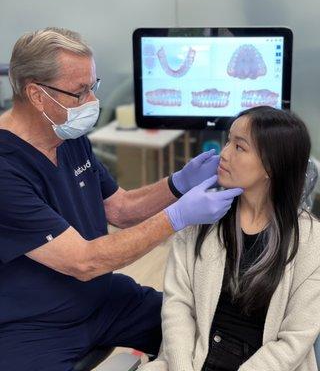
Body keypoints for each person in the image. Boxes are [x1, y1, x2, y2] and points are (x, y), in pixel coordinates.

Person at [0, 27, 242, 371]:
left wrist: (177, 184)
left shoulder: (66, 136)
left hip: (101, 298)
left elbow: (120, 208)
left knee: (212, 329)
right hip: (34, 323)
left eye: (93, 87)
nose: (92, 102)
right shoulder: (7, 168)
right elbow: (84, 262)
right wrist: (178, 216)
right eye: (79, 92)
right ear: (38, 96)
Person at [140, 106, 320, 371]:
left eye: (239, 147)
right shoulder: (201, 218)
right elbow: (177, 306)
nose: (223, 154)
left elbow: (294, 340)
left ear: (272, 164)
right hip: (190, 362)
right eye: (228, 141)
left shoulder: (311, 240)